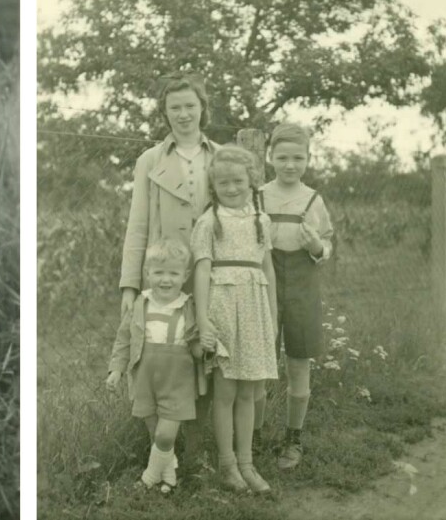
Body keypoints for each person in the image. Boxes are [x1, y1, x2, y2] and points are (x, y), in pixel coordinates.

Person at [119, 71, 221, 471]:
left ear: (202, 109)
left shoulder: (218, 155)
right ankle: (164, 451)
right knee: (166, 355)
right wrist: (130, 284)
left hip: (212, 272)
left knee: (206, 352)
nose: (183, 115)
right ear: (165, 113)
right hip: (167, 275)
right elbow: (138, 225)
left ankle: (200, 448)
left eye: (190, 106)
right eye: (175, 107)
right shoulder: (150, 160)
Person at [191, 145, 278, 493]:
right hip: (223, 307)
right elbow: (201, 270)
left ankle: (247, 463)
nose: (231, 188)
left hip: (255, 309)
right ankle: (227, 466)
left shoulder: (261, 220)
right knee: (225, 391)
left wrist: (271, 316)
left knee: (249, 391)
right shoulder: (209, 221)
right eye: (223, 183)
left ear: (251, 181)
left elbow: (268, 268)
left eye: (237, 181)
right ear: (214, 185)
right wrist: (203, 319)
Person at [253, 123, 333, 470]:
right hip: (263, 282)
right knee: (257, 363)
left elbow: (327, 244)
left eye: (297, 158)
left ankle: (292, 437)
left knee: (298, 362)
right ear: (270, 157)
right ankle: (252, 435)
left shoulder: (314, 199)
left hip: (302, 283)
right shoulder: (257, 194)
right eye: (282, 157)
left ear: (308, 159)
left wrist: (316, 245)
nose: (290, 165)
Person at [106, 238, 203, 493]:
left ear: (186, 275)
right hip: (145, 378)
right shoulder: (140, 304)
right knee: (154, 435)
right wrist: (116, 369)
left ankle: (148, 478)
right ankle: (169, 477)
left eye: (173, 273)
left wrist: (202, 349)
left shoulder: (188, 306)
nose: (166, 280)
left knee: (165, 436)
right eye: (159, 273)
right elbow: (124, 338)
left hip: (177, 380)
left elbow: (196, 340)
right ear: (147, 274)